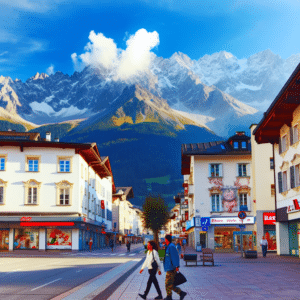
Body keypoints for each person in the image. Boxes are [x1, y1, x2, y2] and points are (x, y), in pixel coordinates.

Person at [163, 235, 187, 300]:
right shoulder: (168, 246)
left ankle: (171, 296)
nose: (164, 240)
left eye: (165, 239)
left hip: (171, 268)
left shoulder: (171, 246)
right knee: (169, 284)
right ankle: (177, 294)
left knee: (168, 283)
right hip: (169, 267)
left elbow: (175, 256)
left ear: (167, 239)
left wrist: (177, 266)